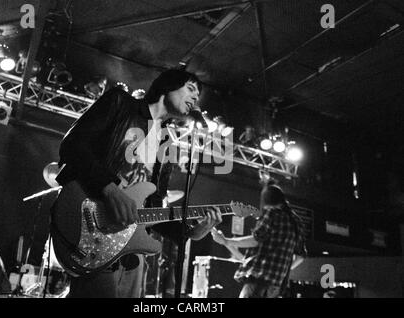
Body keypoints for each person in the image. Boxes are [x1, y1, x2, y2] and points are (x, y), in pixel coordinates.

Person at [54, 69, 222, 298]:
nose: (195, 98)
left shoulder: (166, 143)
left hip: (131, 247)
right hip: (94, 225)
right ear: (167, 85)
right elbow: (73, 145)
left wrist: (191, 232)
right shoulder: (121, 104)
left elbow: (151, 209)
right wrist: (110, 189)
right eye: (191, 89)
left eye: (198, 95)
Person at [211, 180, 306, 298]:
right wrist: (282, 270)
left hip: (258, 281)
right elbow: (301, 256)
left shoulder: (272, 213)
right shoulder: (297, 222)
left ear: (266, 200)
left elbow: (256, 240)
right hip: (276, 286)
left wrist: (226, 241)